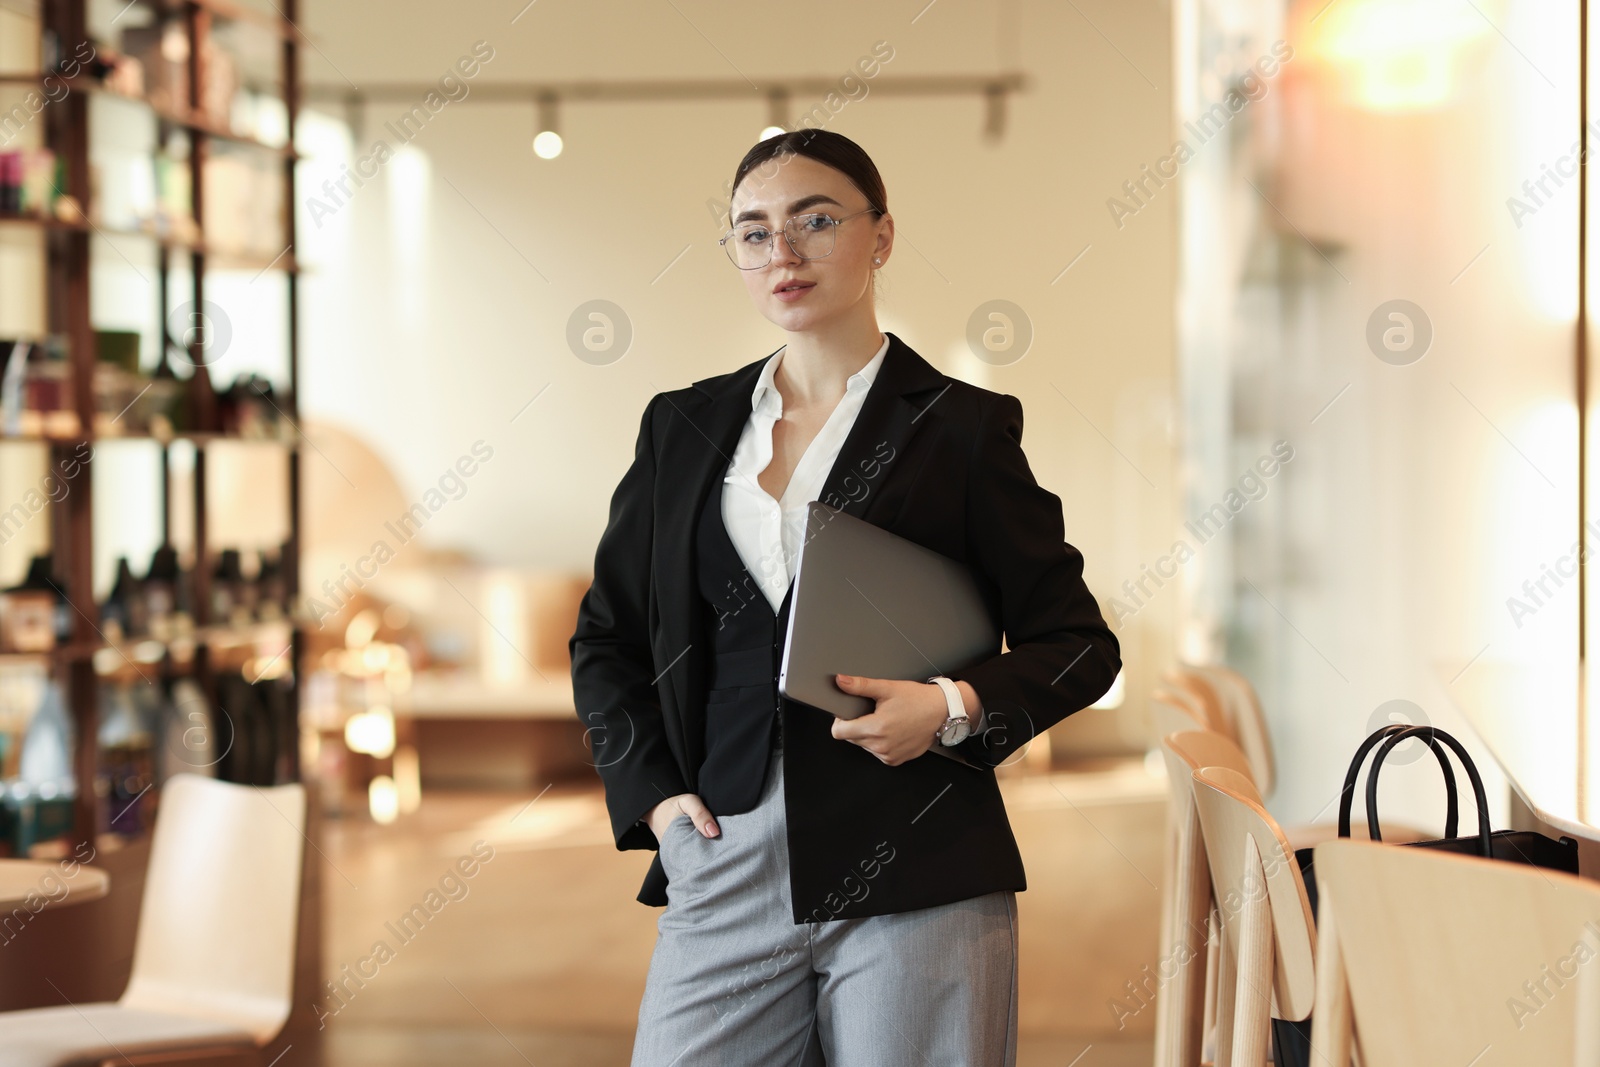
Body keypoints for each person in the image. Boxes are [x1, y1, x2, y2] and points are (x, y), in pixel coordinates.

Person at [569, 128, 1121, 1067]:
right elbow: (607, 641)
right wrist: (658, 804)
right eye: (753, 232)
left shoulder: (963, 428)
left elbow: (1077, 642)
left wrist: (951, 707)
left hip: (918, 859)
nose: (782, 254)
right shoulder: (683, 427)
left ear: (882, 236)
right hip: (722, 853)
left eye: (815, 221)